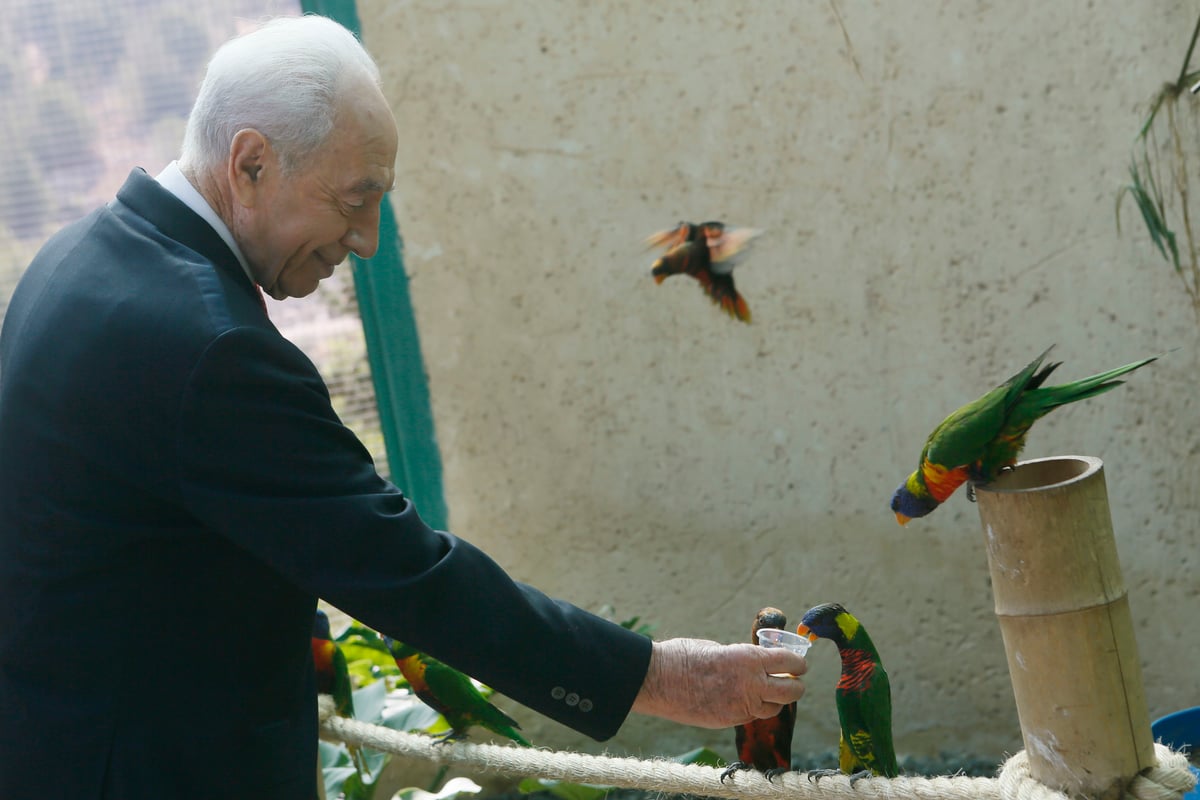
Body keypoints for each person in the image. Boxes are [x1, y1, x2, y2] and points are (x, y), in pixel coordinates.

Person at [0, 15, 807, 800]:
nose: (368, 240)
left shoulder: (74, 259)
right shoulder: (209, 348)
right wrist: (664, 676)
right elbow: (401, 568)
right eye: (355, 199)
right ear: (250, 163)